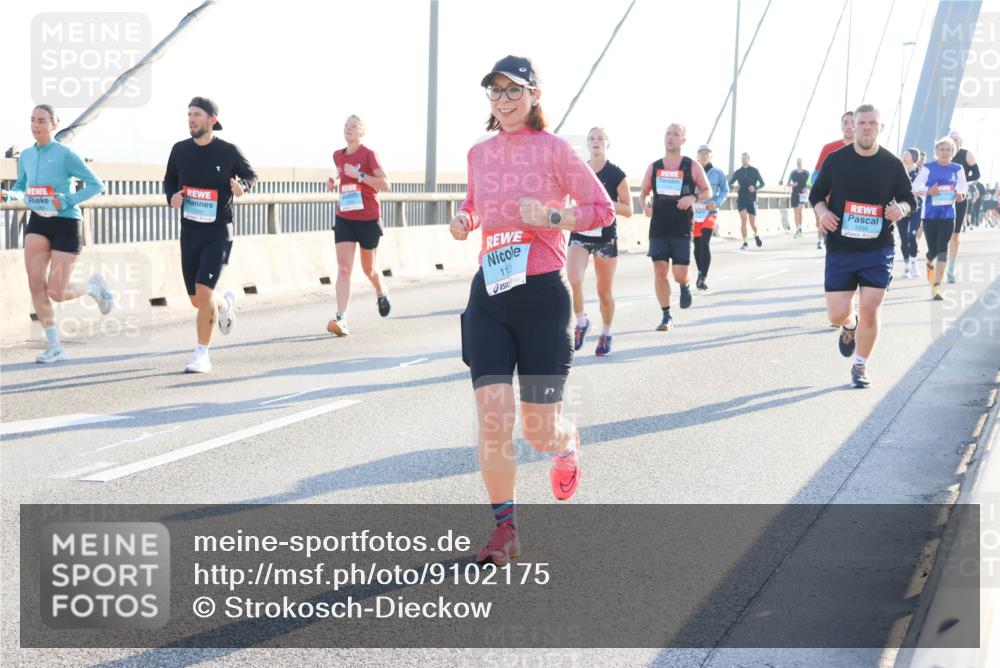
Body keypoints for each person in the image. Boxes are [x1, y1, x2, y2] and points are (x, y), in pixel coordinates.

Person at [449, 56, 614, 565]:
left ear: (535, 95)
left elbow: (603, 211)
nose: (503, 99)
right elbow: (476, 203)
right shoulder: (479, 153)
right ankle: (505, 529)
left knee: (539, 428)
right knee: (494, 421)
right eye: (495, 92)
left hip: (543, 300)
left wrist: (553, 216)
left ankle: (567, 444)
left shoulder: (557, 150)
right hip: (490, 298)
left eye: (513, 90)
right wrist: (464, 218)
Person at [809, 104, 916, 388]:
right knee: (836, 313)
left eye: (872, 123)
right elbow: (817, 195)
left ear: (881, 127)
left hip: (877, 248)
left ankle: (860, 365)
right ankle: (849, 326)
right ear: (852, 126)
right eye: (862, 123)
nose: (867, 127)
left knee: (871, 307)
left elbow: (909, 200)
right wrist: (823, 212)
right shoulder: (836, 160)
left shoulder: (892, 164)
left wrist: (900, 210)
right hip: (842, 247)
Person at [0, 105, 111, 363]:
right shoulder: (26, 156)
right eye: (32, 120)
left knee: (56, 292)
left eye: (41, 120)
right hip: (38, 221)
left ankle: (93, 288)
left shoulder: (65, 154)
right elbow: (21, 187)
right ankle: (55, 346)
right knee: (35, 285)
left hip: (66, 224)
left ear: (54, 124)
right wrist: (9, 195)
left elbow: (97, 184)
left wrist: (68, 200)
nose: (35, 125)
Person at [164, 97, 257, 373]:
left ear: (212, 120)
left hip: (218, 231)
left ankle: (201, 354)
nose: (191, 119)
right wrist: (172, 196)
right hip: (189, 230)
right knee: (198, 299)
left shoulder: (228, 151)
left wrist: (242, 186)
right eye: (189, 114)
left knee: (203, 293)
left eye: (197, 114)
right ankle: (224, 304)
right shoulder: (179, 150)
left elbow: (251, 175)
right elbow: (169, 179)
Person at [566, 127, 632, 357]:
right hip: (580, 233)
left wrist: (604, 203)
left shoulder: (616, 174)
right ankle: (582, 321)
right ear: (587, 144)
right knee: (574, 278)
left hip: (605, 237)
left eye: (600, 138)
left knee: (604, 291)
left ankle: (606, 332)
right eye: (592, 138)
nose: (596, 142)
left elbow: (628, 209)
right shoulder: (579, 171)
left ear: (607, 144)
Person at [640, 124, 712, 330]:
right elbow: (643, 192)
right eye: (668, 134)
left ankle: (685, 285)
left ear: (683, 140)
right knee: (660, 271)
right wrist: (644, 203)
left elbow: (707, 191)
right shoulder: (654, 166)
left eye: (676, 134)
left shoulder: (691, 166)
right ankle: (666, 315)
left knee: (679, 273)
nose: (671, 138)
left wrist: (692, 197)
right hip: (658, 227)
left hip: (681, 227)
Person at [325, 115, 392, 336]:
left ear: (361, 132)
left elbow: (385, 184)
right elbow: (341, 174)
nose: (349, 129)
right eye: (346, 126)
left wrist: (360, 175)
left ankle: (381, 291)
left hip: (368, 218)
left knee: (368, 269)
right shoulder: (337, 155)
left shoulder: (369, 155)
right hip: (345, 217)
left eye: (353, 127)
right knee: (344, 269)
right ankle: (341, 318)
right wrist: (334, 181)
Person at [912, 136, 968, 300]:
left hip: (948, 215)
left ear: (953, 152)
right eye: (942, 149)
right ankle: (929, 260)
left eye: (949, 150)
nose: (945, 152)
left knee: (943, 248)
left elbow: (963, 186)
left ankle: (936, 287)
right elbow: (916, 186)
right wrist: (928, 191)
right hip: (930, 215)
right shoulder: (928, 167)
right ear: (936, 151)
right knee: (933, 250)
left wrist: (961, 194)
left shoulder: (957, 168)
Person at [813, 111, 856, 249]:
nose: (849, 126)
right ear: (841, 127)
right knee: (833, 250)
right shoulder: (829, 149)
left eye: (853, 122)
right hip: (832, 209)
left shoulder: (868, 149)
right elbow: (816, 176)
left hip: (858, 210)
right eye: (846, 123)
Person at [946, 130, 980, 282]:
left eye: (956, 139)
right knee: (942, 234)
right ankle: (939, 264)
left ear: (961, 141)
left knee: (955, 235)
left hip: (960, 197)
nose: (954, 142)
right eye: (951, 139)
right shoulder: (944, 153)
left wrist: (963, 181)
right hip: (943, 198)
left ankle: (951, 269)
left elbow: (977, 174)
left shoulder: (967, 154)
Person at [694, 144, 728, 290]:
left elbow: (725, 191)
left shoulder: (718, 173)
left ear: (711, 156)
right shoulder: (693, 172)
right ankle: (700, 272)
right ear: (697, 156)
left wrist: (716, 202)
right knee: (696, 246)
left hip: (710, 212)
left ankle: (702, 277)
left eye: (707, 153)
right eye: (701, 153)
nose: (704, 156)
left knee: (704, 242)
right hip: (696, 212)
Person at [729, 152, 764, 249]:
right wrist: (734, 188)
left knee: (753, 223)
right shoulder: (738, 172)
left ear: (748, 159)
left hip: (752, 199)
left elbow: (763, 183)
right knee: (743, 219)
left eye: (745, 158)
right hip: (741, 199)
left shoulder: (754, 171)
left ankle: (756, 235)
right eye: (742, 158)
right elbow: (729, 184)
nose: (743, 160)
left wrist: (755, 187)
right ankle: (745, 242)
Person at [897, 148, 922, 278]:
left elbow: (926, 187)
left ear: (913, 158)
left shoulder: (920, 172)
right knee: (903, 239)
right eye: (903, 155)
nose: (903, 157)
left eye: (906, 155)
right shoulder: (898, 171)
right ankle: (906, 266)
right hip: (901, 208)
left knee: (912, 237)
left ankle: (914, 263)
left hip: (916, 208)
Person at [788, 158, 810, 238]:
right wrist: (792, 185)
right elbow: (788, 184)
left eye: (800, 161)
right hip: (794, 194)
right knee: (795, 212)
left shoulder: (806, 172)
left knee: (799, 210)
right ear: (796, 163)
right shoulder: (792, 173)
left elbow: (810, 183)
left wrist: (807, 188)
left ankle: (800, 229)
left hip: (803, 195)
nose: (799, 163)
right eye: (797, 162)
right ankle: (798, 229)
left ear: (802, 163)